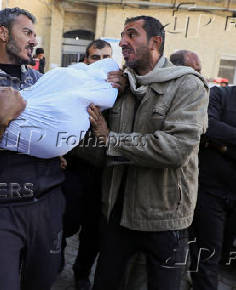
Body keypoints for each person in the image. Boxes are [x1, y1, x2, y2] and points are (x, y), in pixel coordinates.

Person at [74, 16, 209, 290]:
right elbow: (100, 151)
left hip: (165, 218)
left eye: (131, 35)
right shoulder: (120, 87)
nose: (122, 42)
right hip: (116, 215)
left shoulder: (187, 85)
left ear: (155, 42)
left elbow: (175, 149)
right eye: (122, 35)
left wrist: (113, 139)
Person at [0, 8, 65, 290]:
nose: (34, 40)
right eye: (26, 32)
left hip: (47, 205)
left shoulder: (41, 83)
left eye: (34, 34)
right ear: (3, 34)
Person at [60, 39, 124, 290]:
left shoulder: (121, 92)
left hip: (105, 174)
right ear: (86, 61)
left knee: (94, 231)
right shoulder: (73, 86)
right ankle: (56, 256)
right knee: (66, 221)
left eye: (105, 57)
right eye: (94, 57)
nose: (99, 63)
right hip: (73, 169)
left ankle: (82, 272)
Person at [190, 85, 236, 290]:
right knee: (208, 255)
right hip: (210, 192)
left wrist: (223, 147)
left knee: (223, 256)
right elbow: (209, 125)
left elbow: (218, 134)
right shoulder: (220, 95)